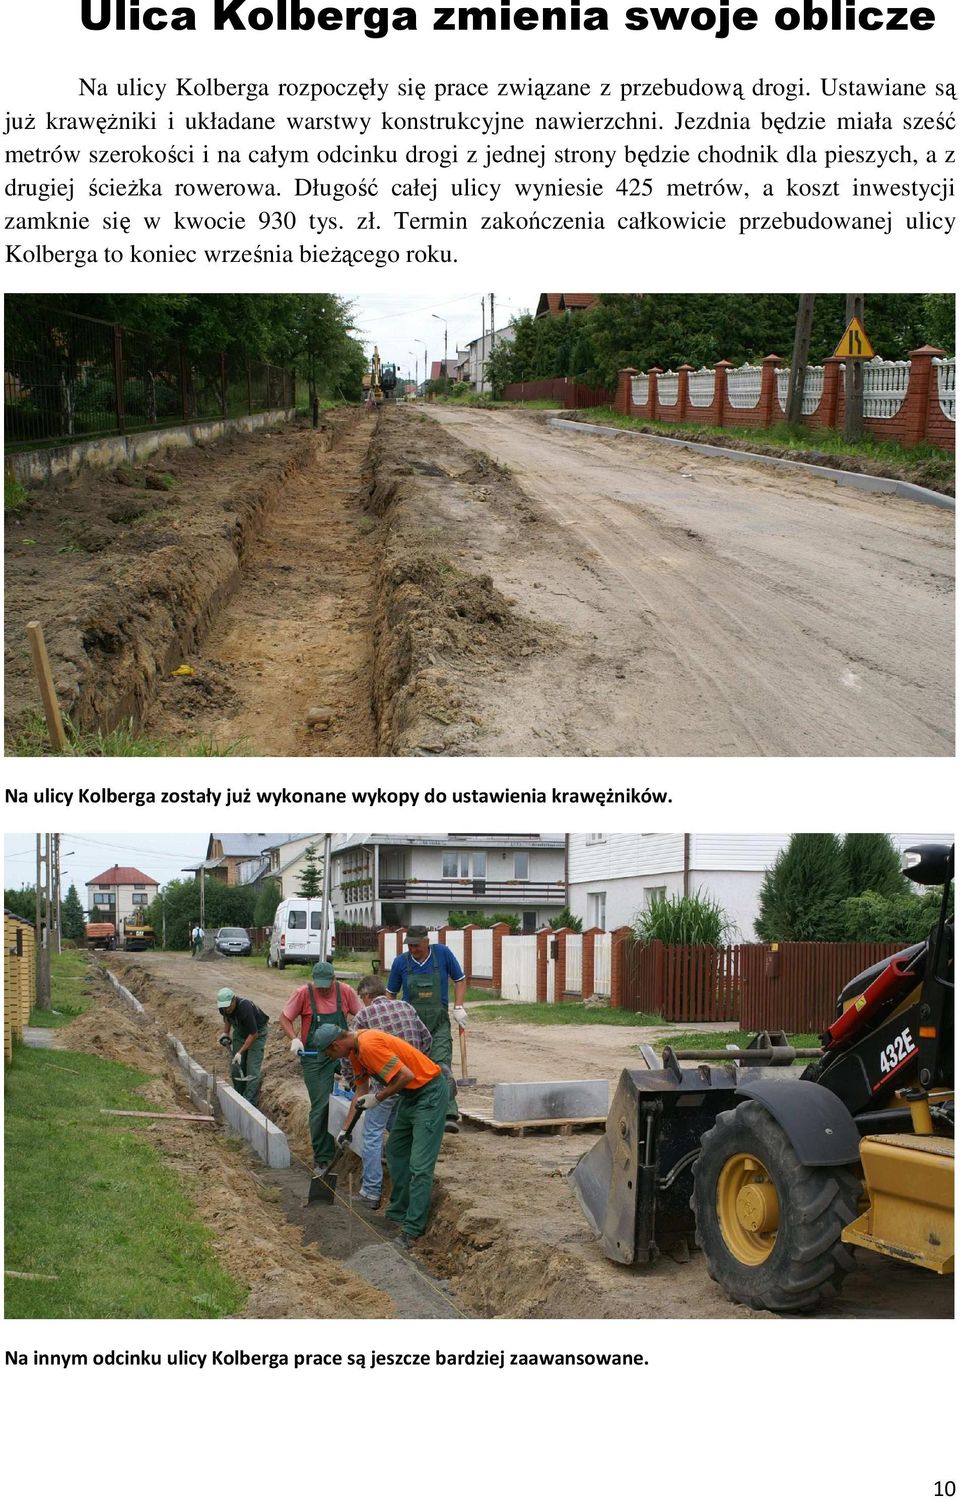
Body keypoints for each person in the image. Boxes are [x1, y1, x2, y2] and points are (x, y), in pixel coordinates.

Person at [315, 1022, 447, 1250]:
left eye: (328, 1053)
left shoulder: (368, 1045)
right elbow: (360, 1091)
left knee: (419, 1166)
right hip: (411, 1097)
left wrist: (380, 1097)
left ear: (336, 1045)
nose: (330, 1057)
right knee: (395, 1150)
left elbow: (405, 1075)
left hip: (429, 1094)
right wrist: (345, 1130)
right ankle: (397, 1211)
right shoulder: (354, 1052)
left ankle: (413, 1229)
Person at [343, 975, 434, 1211]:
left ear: (365, 996)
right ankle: (407, 1180)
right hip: (413, 1084)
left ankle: (371, 1192)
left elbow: (350, 1051)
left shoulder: (364, 1016)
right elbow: (427, 1040)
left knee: (372, 1134)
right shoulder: (406, 1006)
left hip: (386, 1086)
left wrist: (353, 1082)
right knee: (400, 1131)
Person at [279, 961, 361, 1174]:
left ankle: (359, 1146)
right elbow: (285, 1018)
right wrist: (294, 1039)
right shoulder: (303, 994)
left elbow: (362, 1017)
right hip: (315, 1057)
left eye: (327, 984)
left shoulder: (346, 992)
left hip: (342, 1052)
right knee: (322, 1105)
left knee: (359, 1095)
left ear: (335, 979)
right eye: (320, 985)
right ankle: (323, 1158)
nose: (324, 989)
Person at [385, 926, 468, 1131]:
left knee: (442, 1065)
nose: (412, 949)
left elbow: (460, 980)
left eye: (416, 945)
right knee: (412, 1070)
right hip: (411, 1026)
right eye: (410, 945)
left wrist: (458, 1006)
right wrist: (391, 1020)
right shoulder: (400, 963)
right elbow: (390, 995)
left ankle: (448, 1114)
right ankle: (413, 1113)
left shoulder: (442, 954)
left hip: (438, 1023)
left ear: (426, 941)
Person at [216, 987, 269, 1109]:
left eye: (229, 1006)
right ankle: (239, 1096)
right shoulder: (224, 1008)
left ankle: (249, 1103)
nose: (227, 1009)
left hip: (258, 1032)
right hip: (240, 1031)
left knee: (252, 1068)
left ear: (234, 1000)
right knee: (236, 1066)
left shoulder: (245, 1008)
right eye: (224, 1007)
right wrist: (226, 1033)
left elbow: (253, 1034)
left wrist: (240, 1052)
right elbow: (228, 1019)